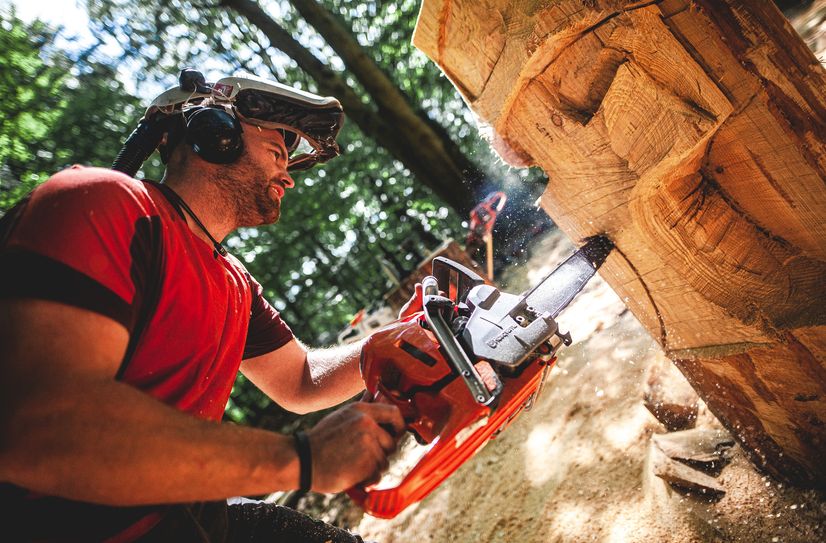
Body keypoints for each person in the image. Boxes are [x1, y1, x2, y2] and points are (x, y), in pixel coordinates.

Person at [0, 70, 415, 542]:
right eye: (279, 153)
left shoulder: (233, 281)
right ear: (215, 134)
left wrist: (386, 347)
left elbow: (299, 381)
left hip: (192, 507)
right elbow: (42, 426)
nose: (288, 177)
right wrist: (300, 459)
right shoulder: (105, 202)